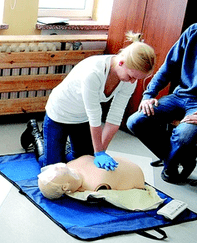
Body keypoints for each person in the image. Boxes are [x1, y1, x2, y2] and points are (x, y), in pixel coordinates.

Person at [21, 32, 155, 170]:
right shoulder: (94, 72)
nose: (133, 81)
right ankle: (35, 134)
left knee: (85, 165)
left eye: (137, 79)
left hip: (81, 118)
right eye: (131, 76)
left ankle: (60, 149)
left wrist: (100, 152)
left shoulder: (129, 80)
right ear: (121, 63)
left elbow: (115, 116)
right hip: (59, 115)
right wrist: (99, 152)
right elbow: (95, 117)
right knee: (54, 169)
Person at [127, 23, 197, 184]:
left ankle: (171, 166)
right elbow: (168, 68)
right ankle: (182, 158)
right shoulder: (194, 31)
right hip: (180, 96)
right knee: (136, 121)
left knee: (184, 137)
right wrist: (148, 95)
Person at [37, 155, 163, 211]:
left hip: (130, 169)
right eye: (54, 172)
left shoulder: (71, 166)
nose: (55, 167)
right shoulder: (95, 184)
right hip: (135, 175)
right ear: (65, 187)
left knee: (46, 157)